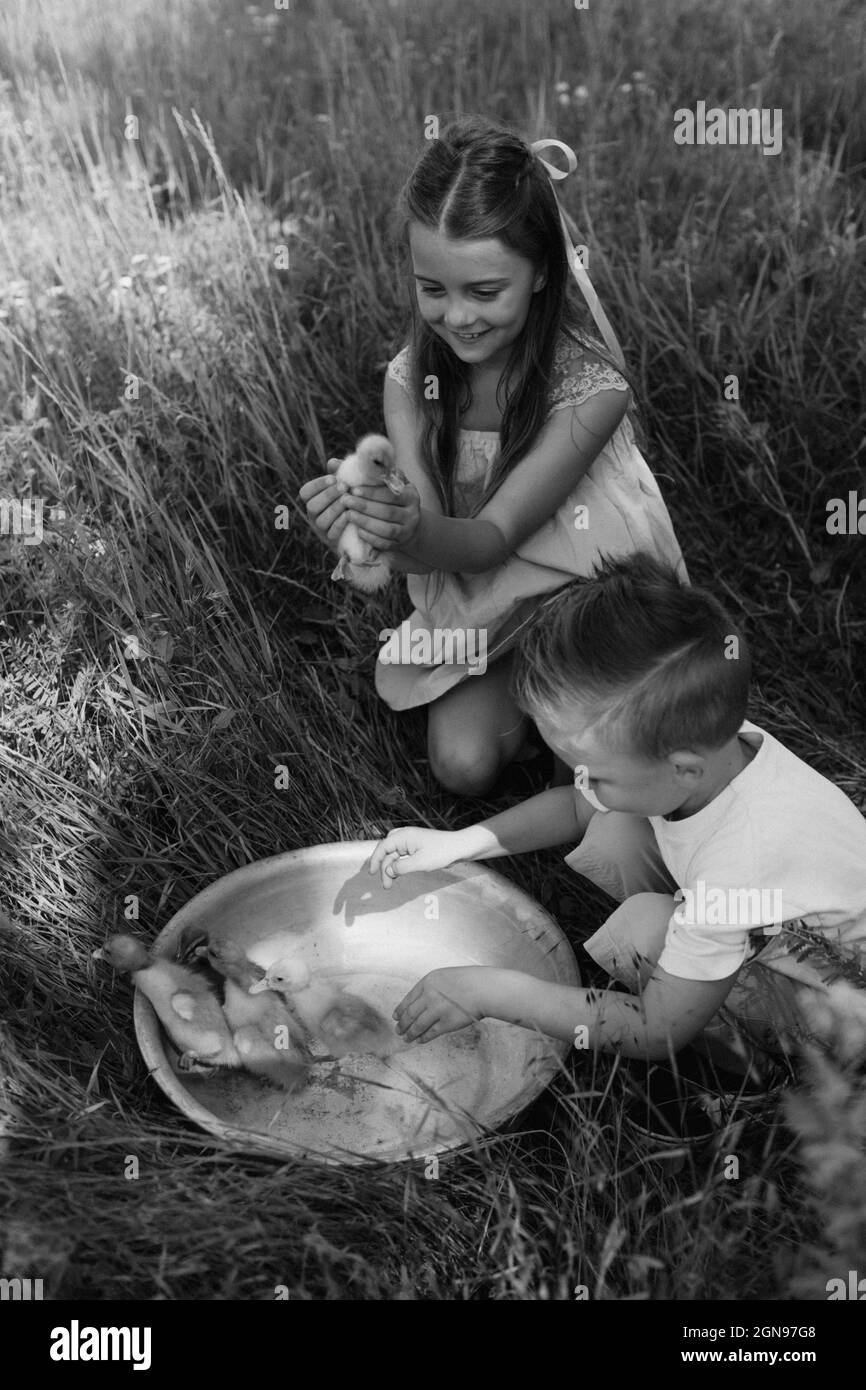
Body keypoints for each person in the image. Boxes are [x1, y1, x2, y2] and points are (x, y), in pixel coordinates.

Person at [368, 553, 866, 1082]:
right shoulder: (707, 749)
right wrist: (459, 843)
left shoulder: (737, 860)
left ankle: (761, 1074)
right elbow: (580, 807)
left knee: (644, 930)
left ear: (683, 769)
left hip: (843, 1014)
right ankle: (702, 961)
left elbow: (656, 1030)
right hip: (773, 927)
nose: (579, 782)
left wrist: (492, 991)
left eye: (592, 770)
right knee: (614, 829)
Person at [300, 116, 686, 796]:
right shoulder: (410, 381)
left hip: (592, 599)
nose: (457, 318)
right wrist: (377, 526)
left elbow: (492, 537)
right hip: (494, 600)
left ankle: (571, 707)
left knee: (609, 779)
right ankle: (527, 692)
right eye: (433, 289)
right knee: (463, 766)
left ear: (541, 273)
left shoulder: (590, 393)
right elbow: (434, 550)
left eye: (485, 291)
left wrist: (413, 529)